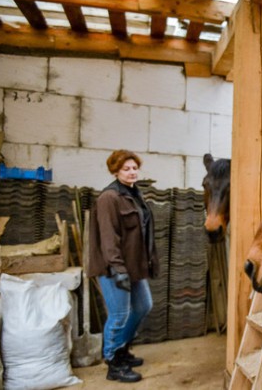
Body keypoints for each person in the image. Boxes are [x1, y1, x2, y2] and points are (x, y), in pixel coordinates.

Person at [88, 149, 159, 383]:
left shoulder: (134, 194)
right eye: (126, 169)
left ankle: (122, 349)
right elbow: (109, 238)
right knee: (119, 314)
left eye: (134, 168)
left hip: (134, 267)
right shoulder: (109, 198)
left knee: (143, 306)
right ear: (115, 171)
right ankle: (113, 361)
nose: (132, 172)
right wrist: (118, 269)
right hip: (114, 268)